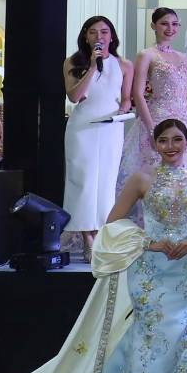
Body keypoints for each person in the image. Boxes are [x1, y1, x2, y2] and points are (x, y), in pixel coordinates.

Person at [0, 120, 187, 373]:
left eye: (177, 139)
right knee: (149, 340)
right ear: (154, 144)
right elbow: (112, 224)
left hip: (185, 271)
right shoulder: (141, 179)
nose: (171, 146)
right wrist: (149, 242)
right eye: (164, 140)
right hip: (151, 268)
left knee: (183, 337)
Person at [63, 15, 130, 249]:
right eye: (92, 32)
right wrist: (92, 66)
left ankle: (102, 234)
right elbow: (74, 96)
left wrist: (123, 110)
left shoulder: (124, 65)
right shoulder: (73, 62)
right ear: (85, 37)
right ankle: (87, 238)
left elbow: (127, 98)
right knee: (83, 181)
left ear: (112, 37)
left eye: (104, 32)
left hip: (111, 128)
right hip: (83, 128)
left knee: (105, 182)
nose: (98, 36)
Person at [118, 6, 187, 197]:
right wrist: (152, 129)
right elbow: (138, 93)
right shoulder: (147, 55)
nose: (170, 29)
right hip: (158, 118)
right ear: (153, 26)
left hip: (184, 120)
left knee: (181, 172)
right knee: (156, 173)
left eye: (175, 24)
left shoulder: (183, 57)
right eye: (164, 24)